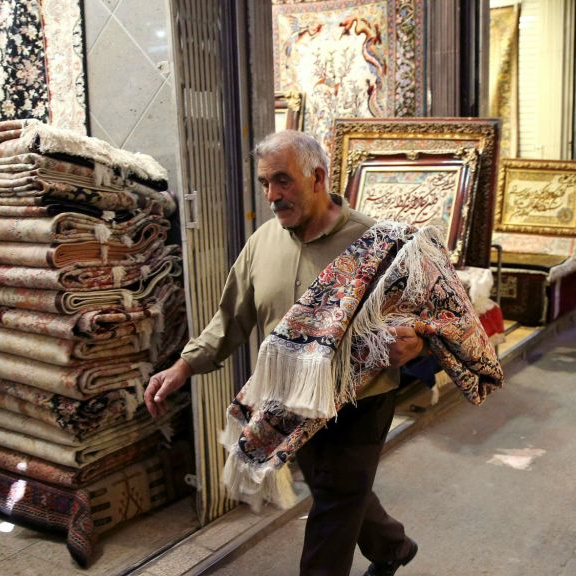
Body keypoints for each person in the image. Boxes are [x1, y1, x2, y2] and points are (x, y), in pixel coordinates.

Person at [145, 130, 422, 575]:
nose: (272, 196)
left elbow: (427, 312)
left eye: (282, 180)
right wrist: (183, 366)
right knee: (336, 486)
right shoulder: (262, 244)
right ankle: (393, 546)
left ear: (317, 177)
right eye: (264, 184)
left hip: (360, 400)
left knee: (333, 502)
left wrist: (418, 340)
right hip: (291, 399)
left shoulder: (375, 242)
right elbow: (230, 319)